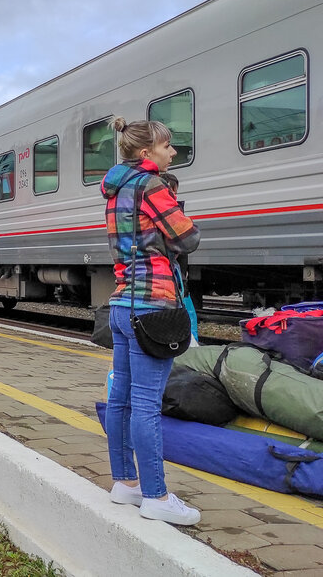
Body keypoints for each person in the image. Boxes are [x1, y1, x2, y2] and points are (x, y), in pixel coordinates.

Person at [101, 117, 201, 526]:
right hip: (154, 304)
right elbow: (188, 238)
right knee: (145, 404)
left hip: (123, 303)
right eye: (167, 146)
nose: (172, 152)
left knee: (120, 399)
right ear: (147, 153)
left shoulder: (115, 189)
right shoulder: (152, 185)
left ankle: (126, 483)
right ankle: (157, 496)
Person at [159, 172, 199, 345]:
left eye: (175, 192)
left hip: (178, 276)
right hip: (168, 277)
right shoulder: (164, 213)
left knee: (187, 316)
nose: (174, 196)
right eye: (171, 191)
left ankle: (189, 347)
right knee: (182, 317)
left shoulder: (175, 212)